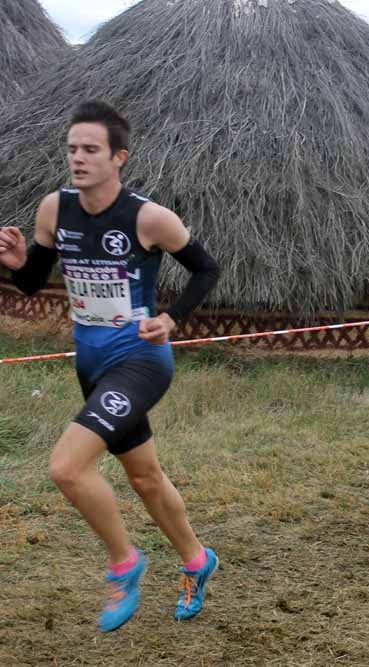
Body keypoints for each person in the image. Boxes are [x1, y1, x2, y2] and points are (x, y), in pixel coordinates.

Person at [0, 101, 222, 631]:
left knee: (66, 468)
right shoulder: (54, 209)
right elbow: (34, 282)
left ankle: (124, 564)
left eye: (91, 150)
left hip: (140, 361)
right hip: (91, 362)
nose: (78, 158)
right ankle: (197, 560)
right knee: (144, 476)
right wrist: (12, 265)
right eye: (72, 148)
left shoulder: (149, 217)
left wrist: (171, 319)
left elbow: (206, 268)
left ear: (118, 157)